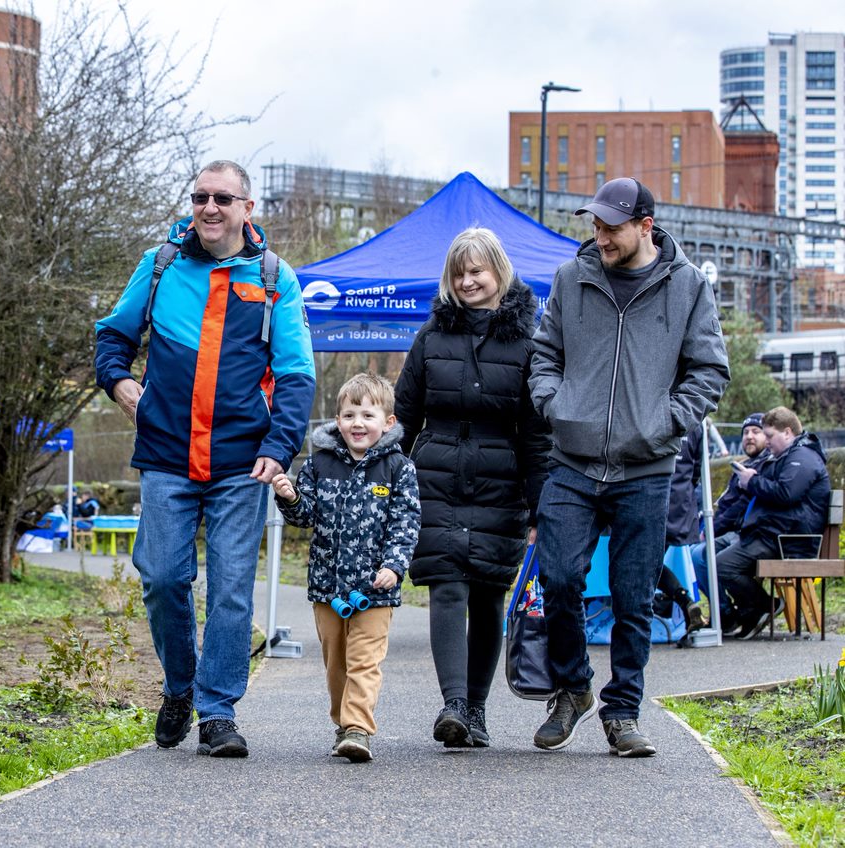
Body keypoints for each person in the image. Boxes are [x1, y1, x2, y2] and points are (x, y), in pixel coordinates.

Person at [94, 160, 316, 758]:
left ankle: (217, 711)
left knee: (230, 592)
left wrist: (280, 445)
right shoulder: (161, 264)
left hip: (242, 461)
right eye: (200, 197)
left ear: (248, 208)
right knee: (163, 576)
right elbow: (112, 335)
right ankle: (178, 687)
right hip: (166, 451)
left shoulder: (275, 280)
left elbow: (297, 374)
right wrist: (118, 383)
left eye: (223, 198)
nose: (209, 208)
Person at [529, 177, 729, 758]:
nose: (600, 236)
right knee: (560, 577)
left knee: (632, 594)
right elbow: (545, 354)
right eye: (595, 225)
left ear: (645, 226)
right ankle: (571, 689)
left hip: (647, 466)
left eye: (611, 227)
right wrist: (554, 405)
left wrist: (667, 421)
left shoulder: (688, 287)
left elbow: (709, 371)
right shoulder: (573, 278)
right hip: (573, 457)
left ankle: (623, 712)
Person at [394, 227, 551, 749]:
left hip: (501, 485)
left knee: (487, 596)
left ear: (498, 272)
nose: (467, 281)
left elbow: (535, 433)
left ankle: (477, 710)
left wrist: (538, 505)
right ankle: (454, 704)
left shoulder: (530, 342)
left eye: (477, 271)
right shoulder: (431, 337)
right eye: (459, 273)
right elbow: (404, 416)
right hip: (434, 481)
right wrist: (388, 482)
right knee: (447, 586)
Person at [271, 373, 420, 763]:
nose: (358, 423)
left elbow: (406, 523)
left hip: (376, 588)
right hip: (327, 586)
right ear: (337, 420)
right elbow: (304, 516)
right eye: (349, 414)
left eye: (367, 415)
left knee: (364, 660)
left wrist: (394, 565)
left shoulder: (398, 468)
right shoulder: (319, 464)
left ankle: (358, 728)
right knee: (336, 660)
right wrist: (289, 496)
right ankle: (342, 721)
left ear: (387, 422)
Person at [720, 406, 830, 639]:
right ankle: (752, 611)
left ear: (787, 433)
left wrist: (752, 481)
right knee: (714, 558)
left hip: (788, 540)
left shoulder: (804, 458)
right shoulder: (786, 457)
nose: (766, 442)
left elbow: (786, 493)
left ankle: (762, 606)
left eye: (769, 436)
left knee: (721, 566)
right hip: (773, 534)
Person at [689, 412, 771, 627]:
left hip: (748, 534)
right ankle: (724, 611)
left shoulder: (763, 466)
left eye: (756, 432)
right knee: (693, 553)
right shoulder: (742, 465)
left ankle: (731, 611)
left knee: (702, 554)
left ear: (768, 436)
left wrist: (711, 529)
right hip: (732, 532)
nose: (749, 437)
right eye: (745, 433)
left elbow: (741, 507)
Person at [659, 425, 706, 632]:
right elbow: (697, 469)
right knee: (647, 562)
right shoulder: (695, 421)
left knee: (638, 563)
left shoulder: (649, 408)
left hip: (651, 498)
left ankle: (682, 599)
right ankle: (683, 601)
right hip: (680, 504)